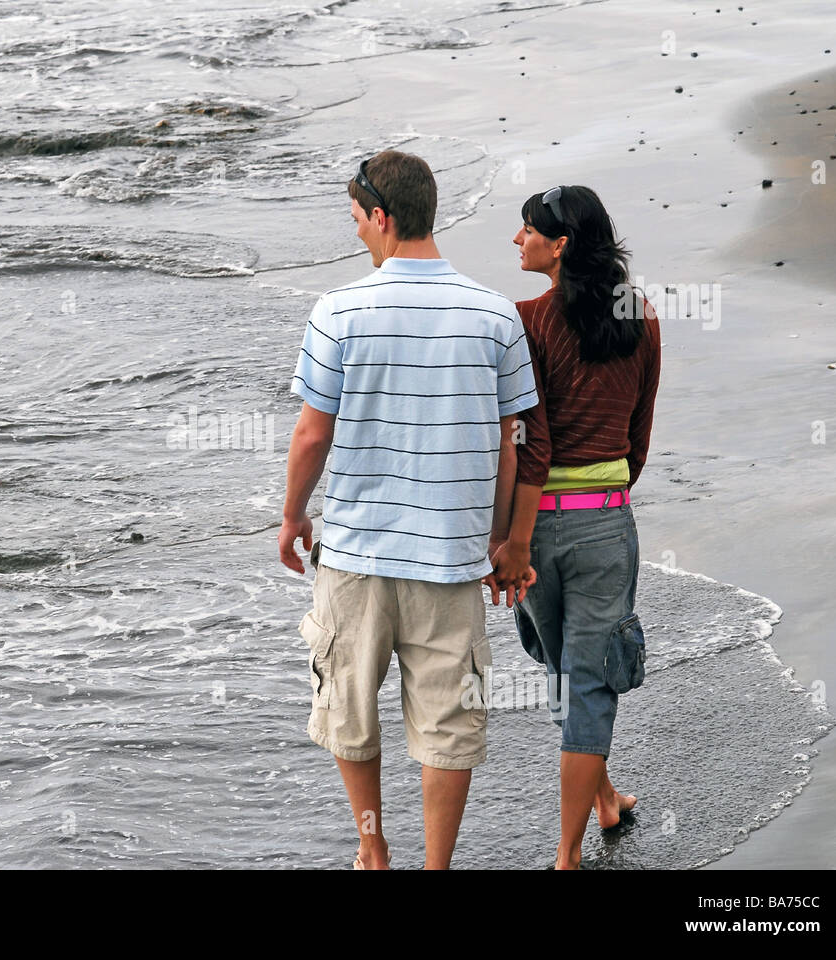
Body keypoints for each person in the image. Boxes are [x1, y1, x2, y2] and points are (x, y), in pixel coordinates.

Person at [279, 150, 538, 869]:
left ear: (384, 218)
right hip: (451, 562)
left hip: (359, 557)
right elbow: (509, 444)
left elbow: (312, 432)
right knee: (449, 723)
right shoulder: (495, 316)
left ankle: (373, 849)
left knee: (348, 709)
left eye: (359, 219)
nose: (357, 231)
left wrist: (293, 514)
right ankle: (436, 867)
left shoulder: (338, 310)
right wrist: (499, 541)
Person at [500, 184, 661, 870]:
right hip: (605, 524)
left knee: (569, 677)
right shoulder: (641, 317)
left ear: (560, 244)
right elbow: (638, 437)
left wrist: (509, 538)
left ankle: (566, 858)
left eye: (528, 229)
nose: (517, 239)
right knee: (584, 676)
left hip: (535, 528)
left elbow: (522, 443)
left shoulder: (525, 321)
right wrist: (607, 497)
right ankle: (602, 803)